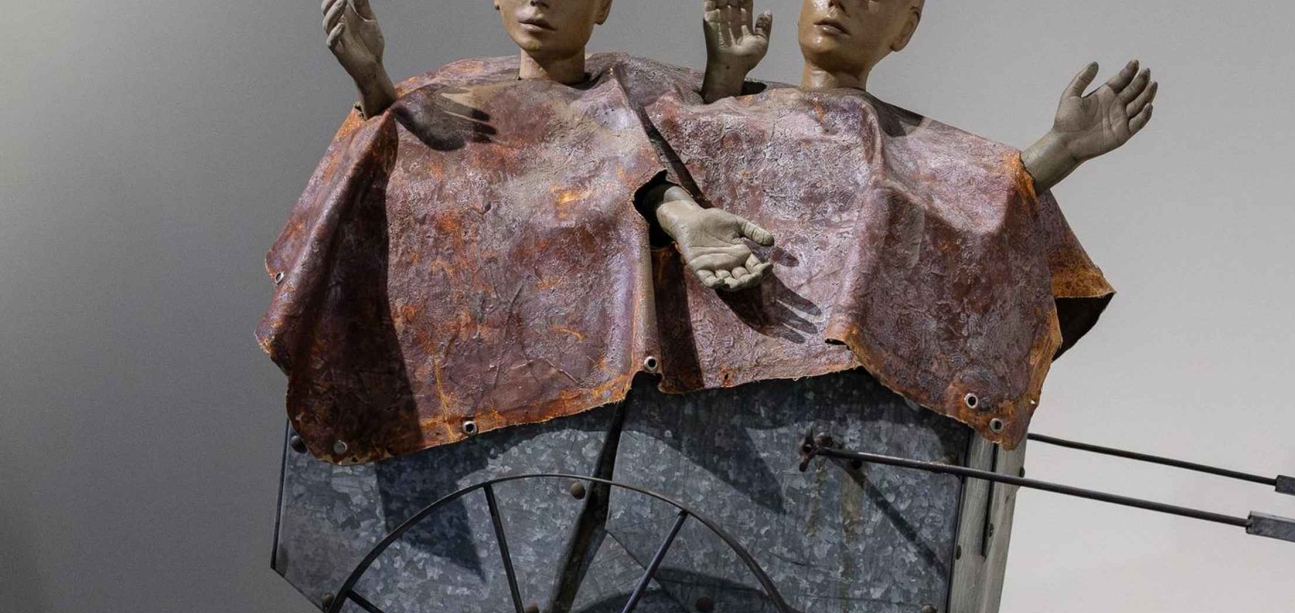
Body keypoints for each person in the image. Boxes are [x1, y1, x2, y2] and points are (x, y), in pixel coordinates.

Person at [257, 0, 778, 463]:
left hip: (588, 361)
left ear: (601, 7)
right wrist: (372, 83)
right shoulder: (449, 93)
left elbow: (639, 158)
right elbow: (398, 167)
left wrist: (723, 82)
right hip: (458, 355)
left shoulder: (627, 87)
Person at [646, 0, 1153, 448]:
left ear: (905, 28)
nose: (837, 2)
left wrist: (1061, 148)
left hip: (853, 400)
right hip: (693, 383)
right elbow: (663, 162)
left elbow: (972, 196)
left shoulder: (907, 146)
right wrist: (723, 83)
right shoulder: (738, 102)